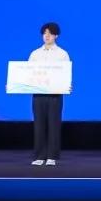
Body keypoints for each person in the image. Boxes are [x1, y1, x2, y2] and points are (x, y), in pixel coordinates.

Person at [29, 22, 70, 167]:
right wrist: (16, 83)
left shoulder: (62, 54)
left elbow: (65, 74)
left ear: (56, 35)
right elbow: (28, 74)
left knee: (54, 124)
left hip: (55, 95)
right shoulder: (35, 54)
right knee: (39, 125)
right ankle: (39, 156)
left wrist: (66, 85)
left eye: (50, 33)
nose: (47, 36)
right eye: (45, 33)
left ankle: (52, 156)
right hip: (38, 95)